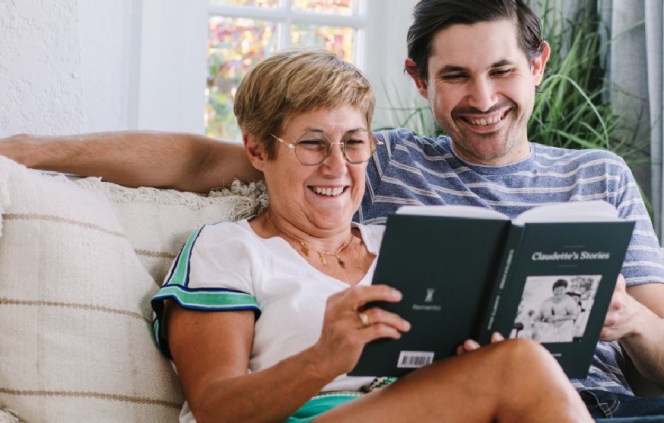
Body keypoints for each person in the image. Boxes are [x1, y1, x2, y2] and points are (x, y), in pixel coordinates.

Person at [0, 0, 664, 422]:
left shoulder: (589, 179)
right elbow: (202, 160)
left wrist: (626, 319)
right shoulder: (369, 174)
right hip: (486, 403)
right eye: (456, 76)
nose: (481, 97)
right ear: (420, 80)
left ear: (535, 66)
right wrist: (34, 148)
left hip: (618, 402)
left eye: (502, 70)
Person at [149, 47, 594, 422]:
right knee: (519, 364)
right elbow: (214, 408)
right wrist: (321, 360)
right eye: (312, 143)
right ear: (257, 149)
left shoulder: (404, 245)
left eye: (354, 142)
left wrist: (467, 362)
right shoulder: (228, 249)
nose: (337, 165)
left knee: (511, 358)